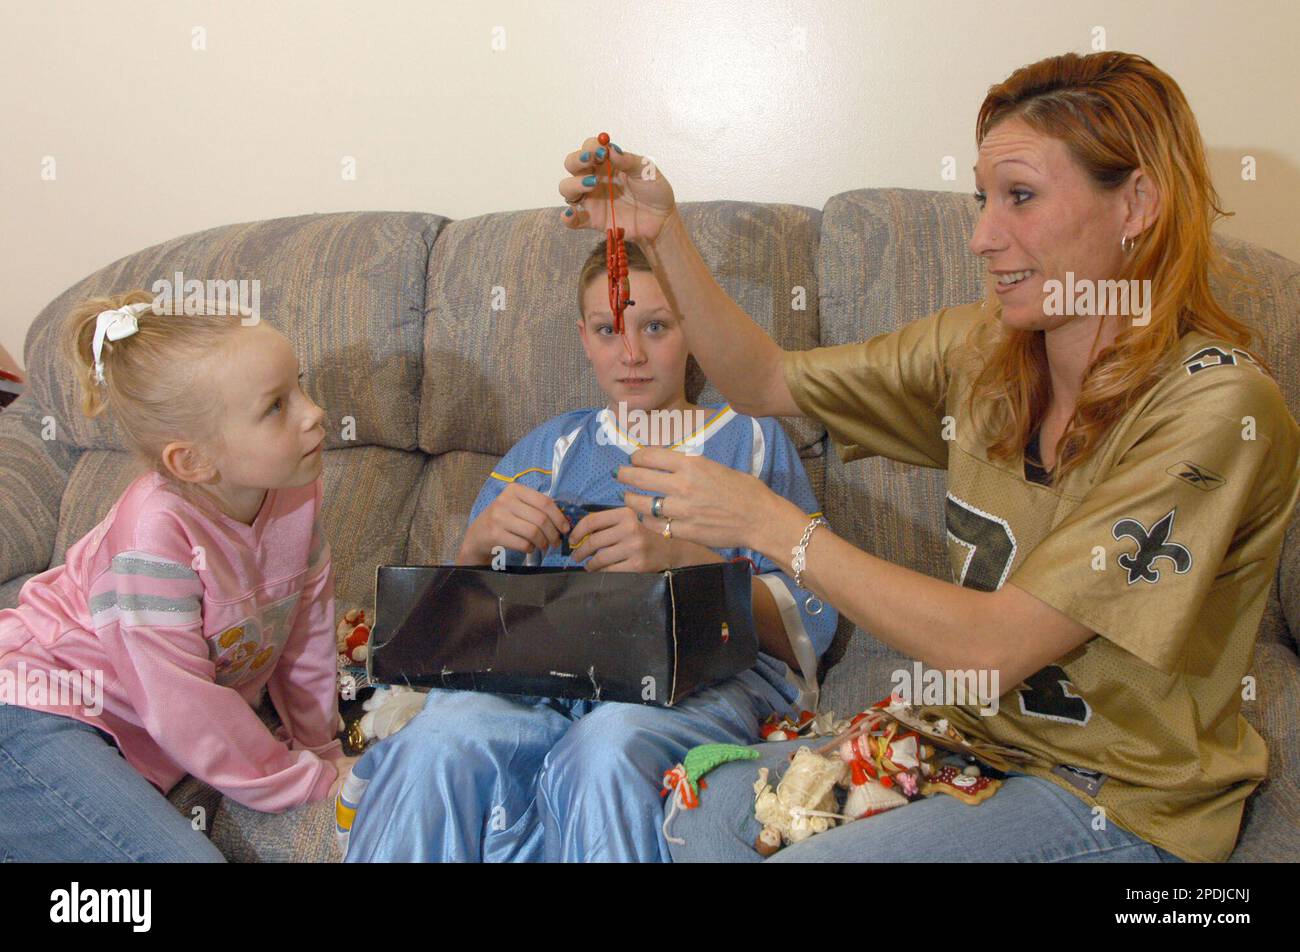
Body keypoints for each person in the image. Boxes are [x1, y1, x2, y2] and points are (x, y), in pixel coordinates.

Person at [558, 51, 1300, 863]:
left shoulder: (1218, 406)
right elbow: (765, 379)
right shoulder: (983, 351)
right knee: (699, 812)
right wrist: (663, 237)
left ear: (1137, 202)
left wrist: (775, 528)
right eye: (984, 199)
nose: (982, 236)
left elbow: (995, 648)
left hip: (1114, 795)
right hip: (968, 747)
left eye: (1020, 197)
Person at [338, 240, 836, 862]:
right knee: (440, 738)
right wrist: (475, 546)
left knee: (608, 744)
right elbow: (450, 635)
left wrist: (679, 556)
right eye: (608, 330)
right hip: (541, 678)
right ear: (583, 337)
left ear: (693, 330)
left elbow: (807, 627)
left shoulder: (752, 440)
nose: (630, 353)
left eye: (655, 327)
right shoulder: (549, 450)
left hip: (695, 682)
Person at [0, 291, 353, 862]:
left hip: (117, 732)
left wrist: (321, 748)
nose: (313, 411)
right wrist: (302, 782)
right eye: (276, 406)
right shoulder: (152, 536)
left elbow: (306, 628)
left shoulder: (295, 490)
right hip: (30, 707)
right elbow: (181, 702)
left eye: (301, 387)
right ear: (191, 461)